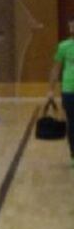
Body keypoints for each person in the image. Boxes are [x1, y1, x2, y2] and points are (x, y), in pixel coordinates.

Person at [47, 17, 74, 168]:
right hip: (69, 90)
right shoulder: (64, 46)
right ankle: (73, 154)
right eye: (71, 27)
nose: (72, 29)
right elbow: (56, 68)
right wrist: (50, 90)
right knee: (72, 123)